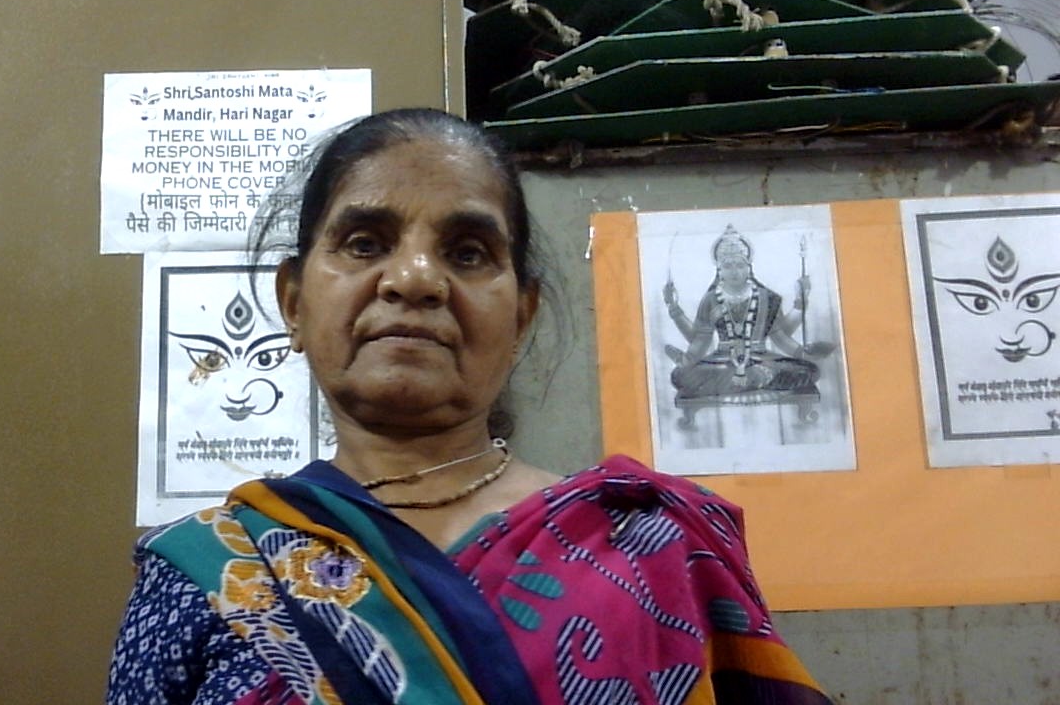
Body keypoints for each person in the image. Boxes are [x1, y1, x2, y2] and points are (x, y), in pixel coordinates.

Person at [107, 108, 833, 705]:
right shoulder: (205, 572)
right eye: (364, 243)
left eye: (467, 252)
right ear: (293, 302)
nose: (415, 278)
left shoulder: (657, 544)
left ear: (520, 316)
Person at [663, 225, 828, 400]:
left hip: (762, 360)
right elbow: (700, 339)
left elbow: (780, 336)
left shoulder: (767, 298)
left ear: (749, 268)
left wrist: (801, 351)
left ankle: (743, 381)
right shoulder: (711, 299)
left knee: (809, 371)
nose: (735, 271)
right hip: (722, 362)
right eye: (728, 266)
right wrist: (674, 308)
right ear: (720, 270)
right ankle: (755, 380)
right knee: (680, 376)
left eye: (740, 265)